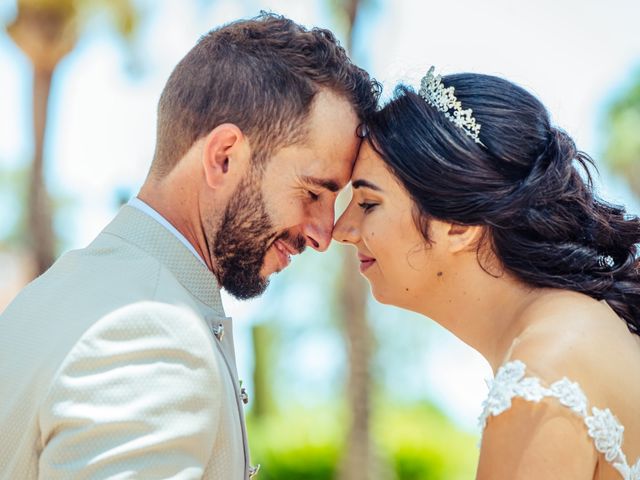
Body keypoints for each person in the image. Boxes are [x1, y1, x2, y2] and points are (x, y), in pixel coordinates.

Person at [0, 12, 379, 480]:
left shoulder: (51, 297)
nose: (324, 234)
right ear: (224, 158)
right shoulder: (150, 333)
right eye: (313, 192)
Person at [334, 67, 640, 479]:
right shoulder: (584, 330)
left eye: (368, 203)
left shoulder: (543, 373)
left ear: (460, 225)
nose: (341, 230)